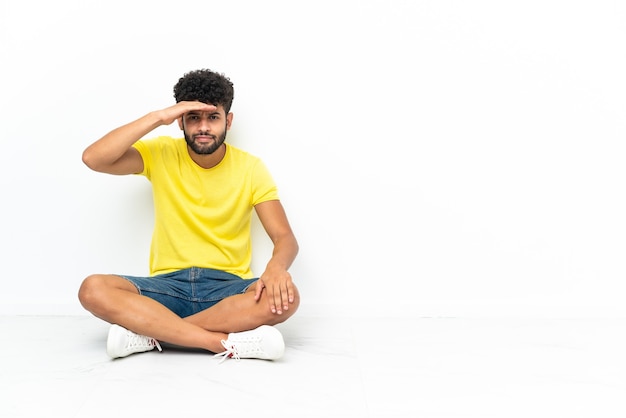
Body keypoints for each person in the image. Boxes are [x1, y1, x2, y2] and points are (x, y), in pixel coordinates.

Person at [78, 69, 300, 361]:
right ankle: (220, 344)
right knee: (93, 289)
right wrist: (159, 116)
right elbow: (93, 159)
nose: (203, 127)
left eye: (213, 117)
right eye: (193, 118)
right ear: (180, 121)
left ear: (228, 121)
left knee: (287, 298)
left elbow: (284, 237)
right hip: (167, 288)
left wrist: (276, 268)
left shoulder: (251, 168)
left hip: (226, 289)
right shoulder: (160, 153)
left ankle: (150, 335)